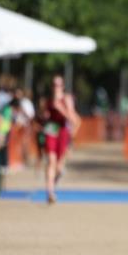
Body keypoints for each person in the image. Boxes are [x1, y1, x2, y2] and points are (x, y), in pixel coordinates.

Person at [40, 75, 81, 204]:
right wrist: (44, 116)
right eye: (54, 84)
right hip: (51, 131)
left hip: (63, 132)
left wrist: (60, 108)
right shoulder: (47, 100)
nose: (56, 87)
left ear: (62, 86)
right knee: (51, 161)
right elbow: (42, 117)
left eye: (58, 85)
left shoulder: (67, 99)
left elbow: (73, 119)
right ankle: (50, 192)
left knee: (58, 166)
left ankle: (54, 180)